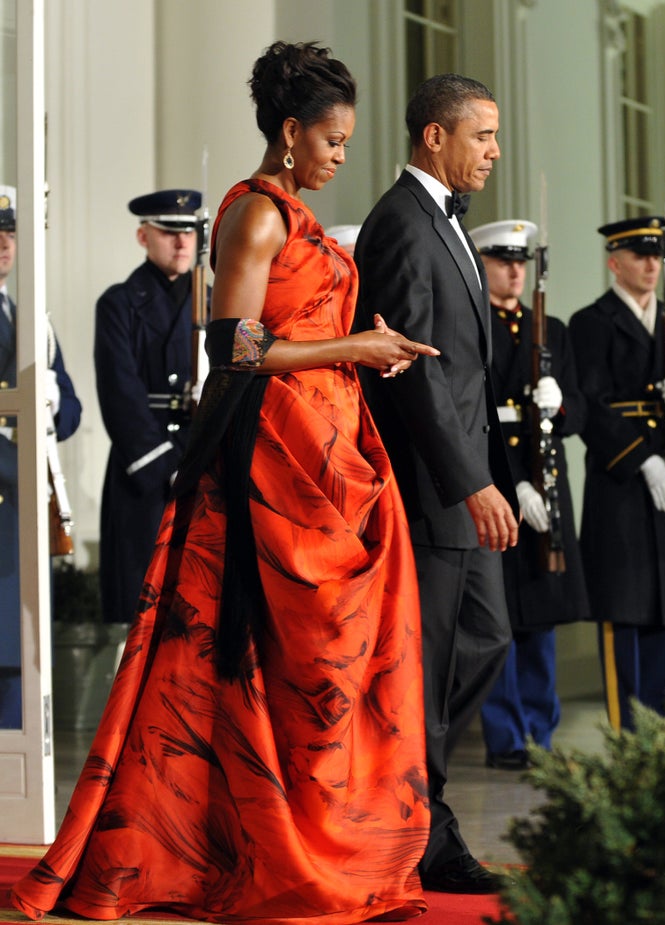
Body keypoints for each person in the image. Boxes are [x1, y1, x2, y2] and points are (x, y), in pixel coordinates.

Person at [13, 41, 437, 924]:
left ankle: (334, 841)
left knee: (327, 664)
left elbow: (299, 316)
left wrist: (372, 346)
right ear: (290, 132)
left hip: (327, 452)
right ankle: (260, 850)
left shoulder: (296, 213)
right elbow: (234, 348)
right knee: (269, 663)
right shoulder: (254, 214)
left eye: (348, 142)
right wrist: (353, 346)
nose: (339, 155)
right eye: (331, 139)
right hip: (265, 461)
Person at [353, 74, 519, 894]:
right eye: (483, 135)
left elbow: (466, 377)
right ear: (435, 138)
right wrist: (466, 483)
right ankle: (420, 825)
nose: (494, 150)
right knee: (431, 660)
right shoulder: (401, 226)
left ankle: (413, 803)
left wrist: (497, 477)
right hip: (427, 490)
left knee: (485, 640)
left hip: (466, 481)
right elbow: (411, 377)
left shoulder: (441, 221)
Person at [568, 216, 665, 731]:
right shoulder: (592, 323)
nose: (652, 265)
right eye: (639, 256)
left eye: (657, 256)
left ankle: (657, 732)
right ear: (615, 261)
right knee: (625, 610)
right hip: (622, 484)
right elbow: (589, 402)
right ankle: (627, 736)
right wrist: (638, 457)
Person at [468, 219, 590, 770]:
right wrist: (511, 480)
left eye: (521, 262)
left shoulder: (553, 330)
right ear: (484, 265)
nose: (515, 271)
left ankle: (541, 730)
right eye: (502, 260)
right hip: (499, 481)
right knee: (504, 617)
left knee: (540, 614)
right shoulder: (474, 328)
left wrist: (558, 403)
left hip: (547, 483)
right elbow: (478, 417)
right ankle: (506, 737)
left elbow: (580, 412)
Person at [94, 188, 209, 625]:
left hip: (202, 458)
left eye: (188, 233)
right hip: (144, 468)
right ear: (143, 237)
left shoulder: (213, 300)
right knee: (142, 610)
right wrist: (166, 467)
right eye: (168, 233)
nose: (182, 244)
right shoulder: (119, 304)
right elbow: (119, 394)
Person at [0, 184, 81, 729]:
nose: (5, 245)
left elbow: (69, 406)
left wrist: (50, 406)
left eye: (11, 234)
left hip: (26, 495)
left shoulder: (31, 316)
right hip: (8, 485)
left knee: (21, 653)